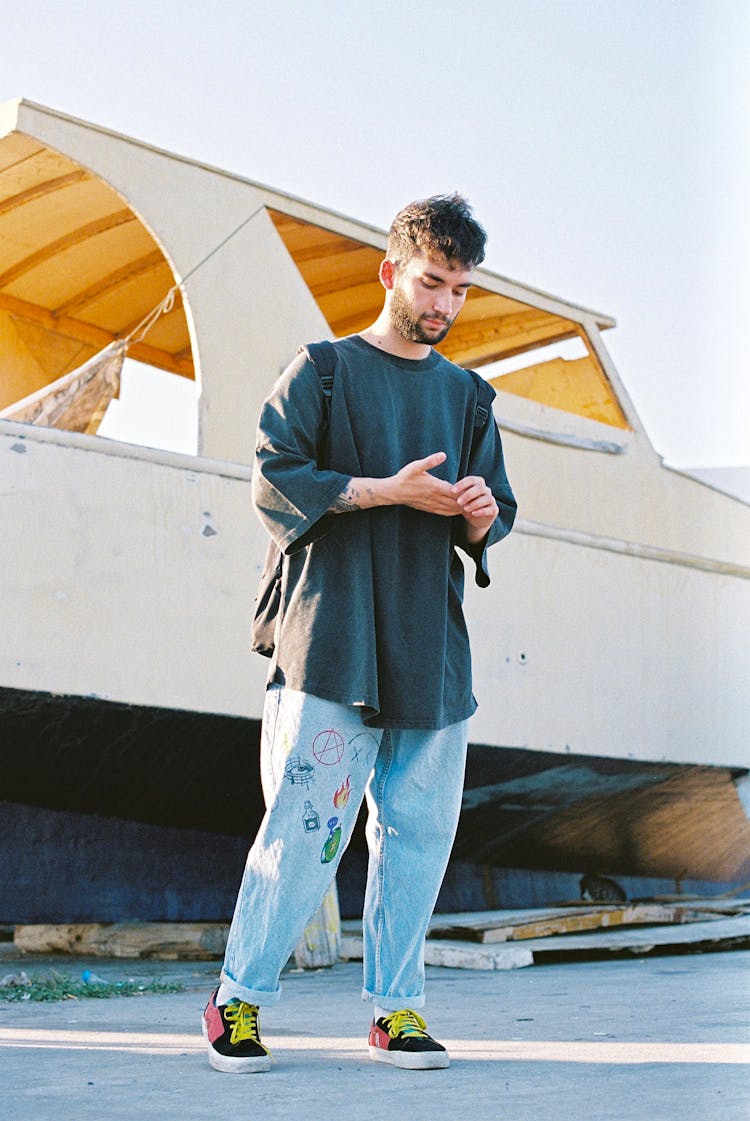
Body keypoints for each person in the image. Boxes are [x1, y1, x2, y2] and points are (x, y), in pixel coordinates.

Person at [202, 193, 516, 1073]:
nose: (444, 305)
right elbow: (272, 481)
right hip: (334, 639)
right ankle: (237, 999)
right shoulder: (323, 371)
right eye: (431, 281)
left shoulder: (469, 397)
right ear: (390, 272)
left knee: (419, 837)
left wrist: (481, 517)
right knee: (305, 829)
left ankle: (396, 1011)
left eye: (459, 289)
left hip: (431, 649)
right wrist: (384, 490)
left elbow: (492, 512)